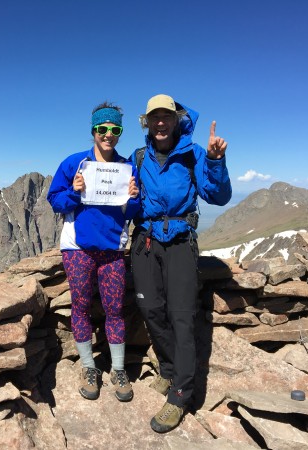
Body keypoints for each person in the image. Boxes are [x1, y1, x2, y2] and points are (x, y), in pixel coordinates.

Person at [130, 94, 231, 432]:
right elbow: (127, 201)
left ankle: (180, 396)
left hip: (180, 243)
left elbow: (217, 195)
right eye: (154, 117)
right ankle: (169, 369)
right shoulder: (139, 156)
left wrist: (216, 162)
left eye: (167, 117)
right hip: (145, 242)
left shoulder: (193, 155)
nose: (161, 123)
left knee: (182, 317)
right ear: (148, 122)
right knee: (151, 309)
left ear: (176, 121)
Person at [47, 102, 140, 402]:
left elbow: (134, 212)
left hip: (113, 249)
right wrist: (74, 191)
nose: (108, 134)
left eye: (114, 129)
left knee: (114, 310)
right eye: (102, 129)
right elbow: (56, 201)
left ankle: (118, 369)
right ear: (93, 131)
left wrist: (135, 197)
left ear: (120, 132)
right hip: (77, 249)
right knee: (82, 306)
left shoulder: (127, 168)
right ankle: (89, 368)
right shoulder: (74, 163)